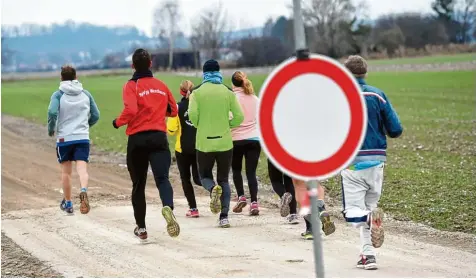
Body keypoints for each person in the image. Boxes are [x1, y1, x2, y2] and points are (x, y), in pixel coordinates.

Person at [342, 55, 403, 270]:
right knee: (370, 207)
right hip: (377, 161)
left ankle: (368, 219)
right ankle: (368, 256)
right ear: (365, 73)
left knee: (352, 213)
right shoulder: (378, 95)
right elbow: (396, 129)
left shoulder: (341, 96)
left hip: (351, 162)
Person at [112, 48, 180, 240]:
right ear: (151, 64)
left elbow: (131, 110)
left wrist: (117, 122)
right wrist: (157, 113)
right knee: (162, 179)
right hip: (159, 138)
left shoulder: (131, 85)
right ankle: (168, 207)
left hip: (138, 140)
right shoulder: (161, 85)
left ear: (132, 65)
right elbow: (173, 110)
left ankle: (141, 228)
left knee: (139, 184)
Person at [188, 59, 244, 228]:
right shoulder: (228, 92)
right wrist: (228, 126)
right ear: (219, 72)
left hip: (204, 142)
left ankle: (212, 190)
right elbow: (239, 116)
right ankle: (224, 216)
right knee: (224, 180)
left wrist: (201, 125)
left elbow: (192, 116)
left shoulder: (196, 93)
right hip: (225, 143)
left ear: (204, 73)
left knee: (204, 176)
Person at [47, 65, 100, 215]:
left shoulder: (58, 95)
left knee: (66, 172)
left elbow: (51, 112)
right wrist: (85, 126)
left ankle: (68, 203)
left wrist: (51, 128)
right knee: (82, 169)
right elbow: (96, 115)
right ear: (76, 77)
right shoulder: (86, 94)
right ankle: (83, 190)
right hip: (82, 137)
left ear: (61, 78)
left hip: (65, 138)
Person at [167, 80, 202, 218]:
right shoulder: (199, 106)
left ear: (181, 92)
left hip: (182, 149)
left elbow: (171, 129)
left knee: (186, 179)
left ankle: (193, 209)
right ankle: (214, 191)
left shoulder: (177, 107)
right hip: (199, 146)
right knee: (199, 178)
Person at [229, 71, 261, 216]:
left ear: (232, 84)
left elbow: (228, 118)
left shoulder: (231, 98)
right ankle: (254, 202)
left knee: (236, 170)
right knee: (251, 173)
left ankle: (241, 196)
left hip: (235, 139)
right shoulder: (255, 98)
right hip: (253, 139)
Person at [267, 159, 299, 224]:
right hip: (289, 156)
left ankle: (283, 195)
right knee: (289, 181)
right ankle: (293, 214)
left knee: (275, 181)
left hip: (274, 155)